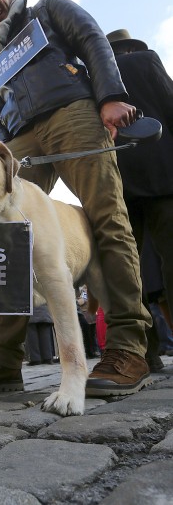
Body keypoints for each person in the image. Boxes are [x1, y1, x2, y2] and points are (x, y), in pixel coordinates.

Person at [0, 0, 152, 399]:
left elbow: (92, 38)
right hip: (19, 139)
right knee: (1, 242)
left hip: (71, 111)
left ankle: (129, 347)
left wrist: (110, 95)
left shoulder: (49, 8)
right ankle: (2, 365)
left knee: (106, 217)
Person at [107, 29, 173, 369]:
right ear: (133, 46)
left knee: (129, 267)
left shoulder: (100, 78)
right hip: (164, 173)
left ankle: (144, 351)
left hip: (122, 181)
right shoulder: (147, 61)